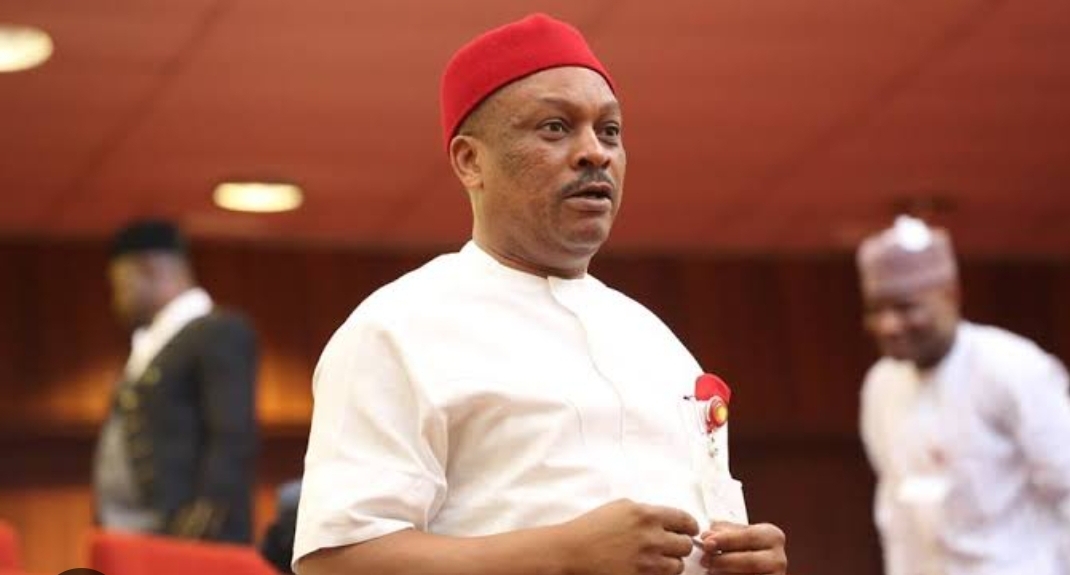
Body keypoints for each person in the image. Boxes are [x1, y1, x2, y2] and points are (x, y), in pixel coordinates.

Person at [294, 13, 787, 575]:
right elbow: (335, 562)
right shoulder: (398, 328)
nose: (595, 152)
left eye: (610, 131)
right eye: (555, 127)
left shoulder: (656, 342)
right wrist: (566, 553)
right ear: (471, 161)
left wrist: (746, 559)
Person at [857, 215, 1070, 575]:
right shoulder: (881, 385)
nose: (889, 325)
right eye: (877, 310)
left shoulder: (1011, 367)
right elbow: (894, 506)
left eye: (906, 306)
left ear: (950, 295)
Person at [94, 219, 259, 543]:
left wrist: (202, 522)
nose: (117, 300)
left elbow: (232, 435)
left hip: (184, 538)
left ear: (150, 269)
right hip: (134, 534)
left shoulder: (217, 331)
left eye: (121, 286)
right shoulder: (152, 342)